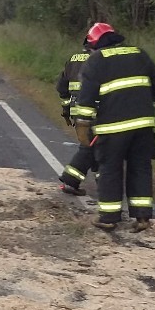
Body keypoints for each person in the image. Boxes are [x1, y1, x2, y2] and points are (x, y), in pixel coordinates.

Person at [72, 22, 155, 232]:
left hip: (112, 128)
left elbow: (86, 99)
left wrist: (83, 125)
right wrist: (151, 108)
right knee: (140, 167)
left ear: (95, 44)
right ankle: (142, 218)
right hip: (143, 126)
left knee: (110, 169)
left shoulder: (96, 61)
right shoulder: (139, 54)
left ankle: (108, 217)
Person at [55, 43, 95, 196]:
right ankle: (70, 180)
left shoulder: (73, 59)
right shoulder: (99, 59)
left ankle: (103, 184)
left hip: (77, 111)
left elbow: (62, 87)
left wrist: (66, 109)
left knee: (95, 145)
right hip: (93, 110)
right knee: (90, 146)